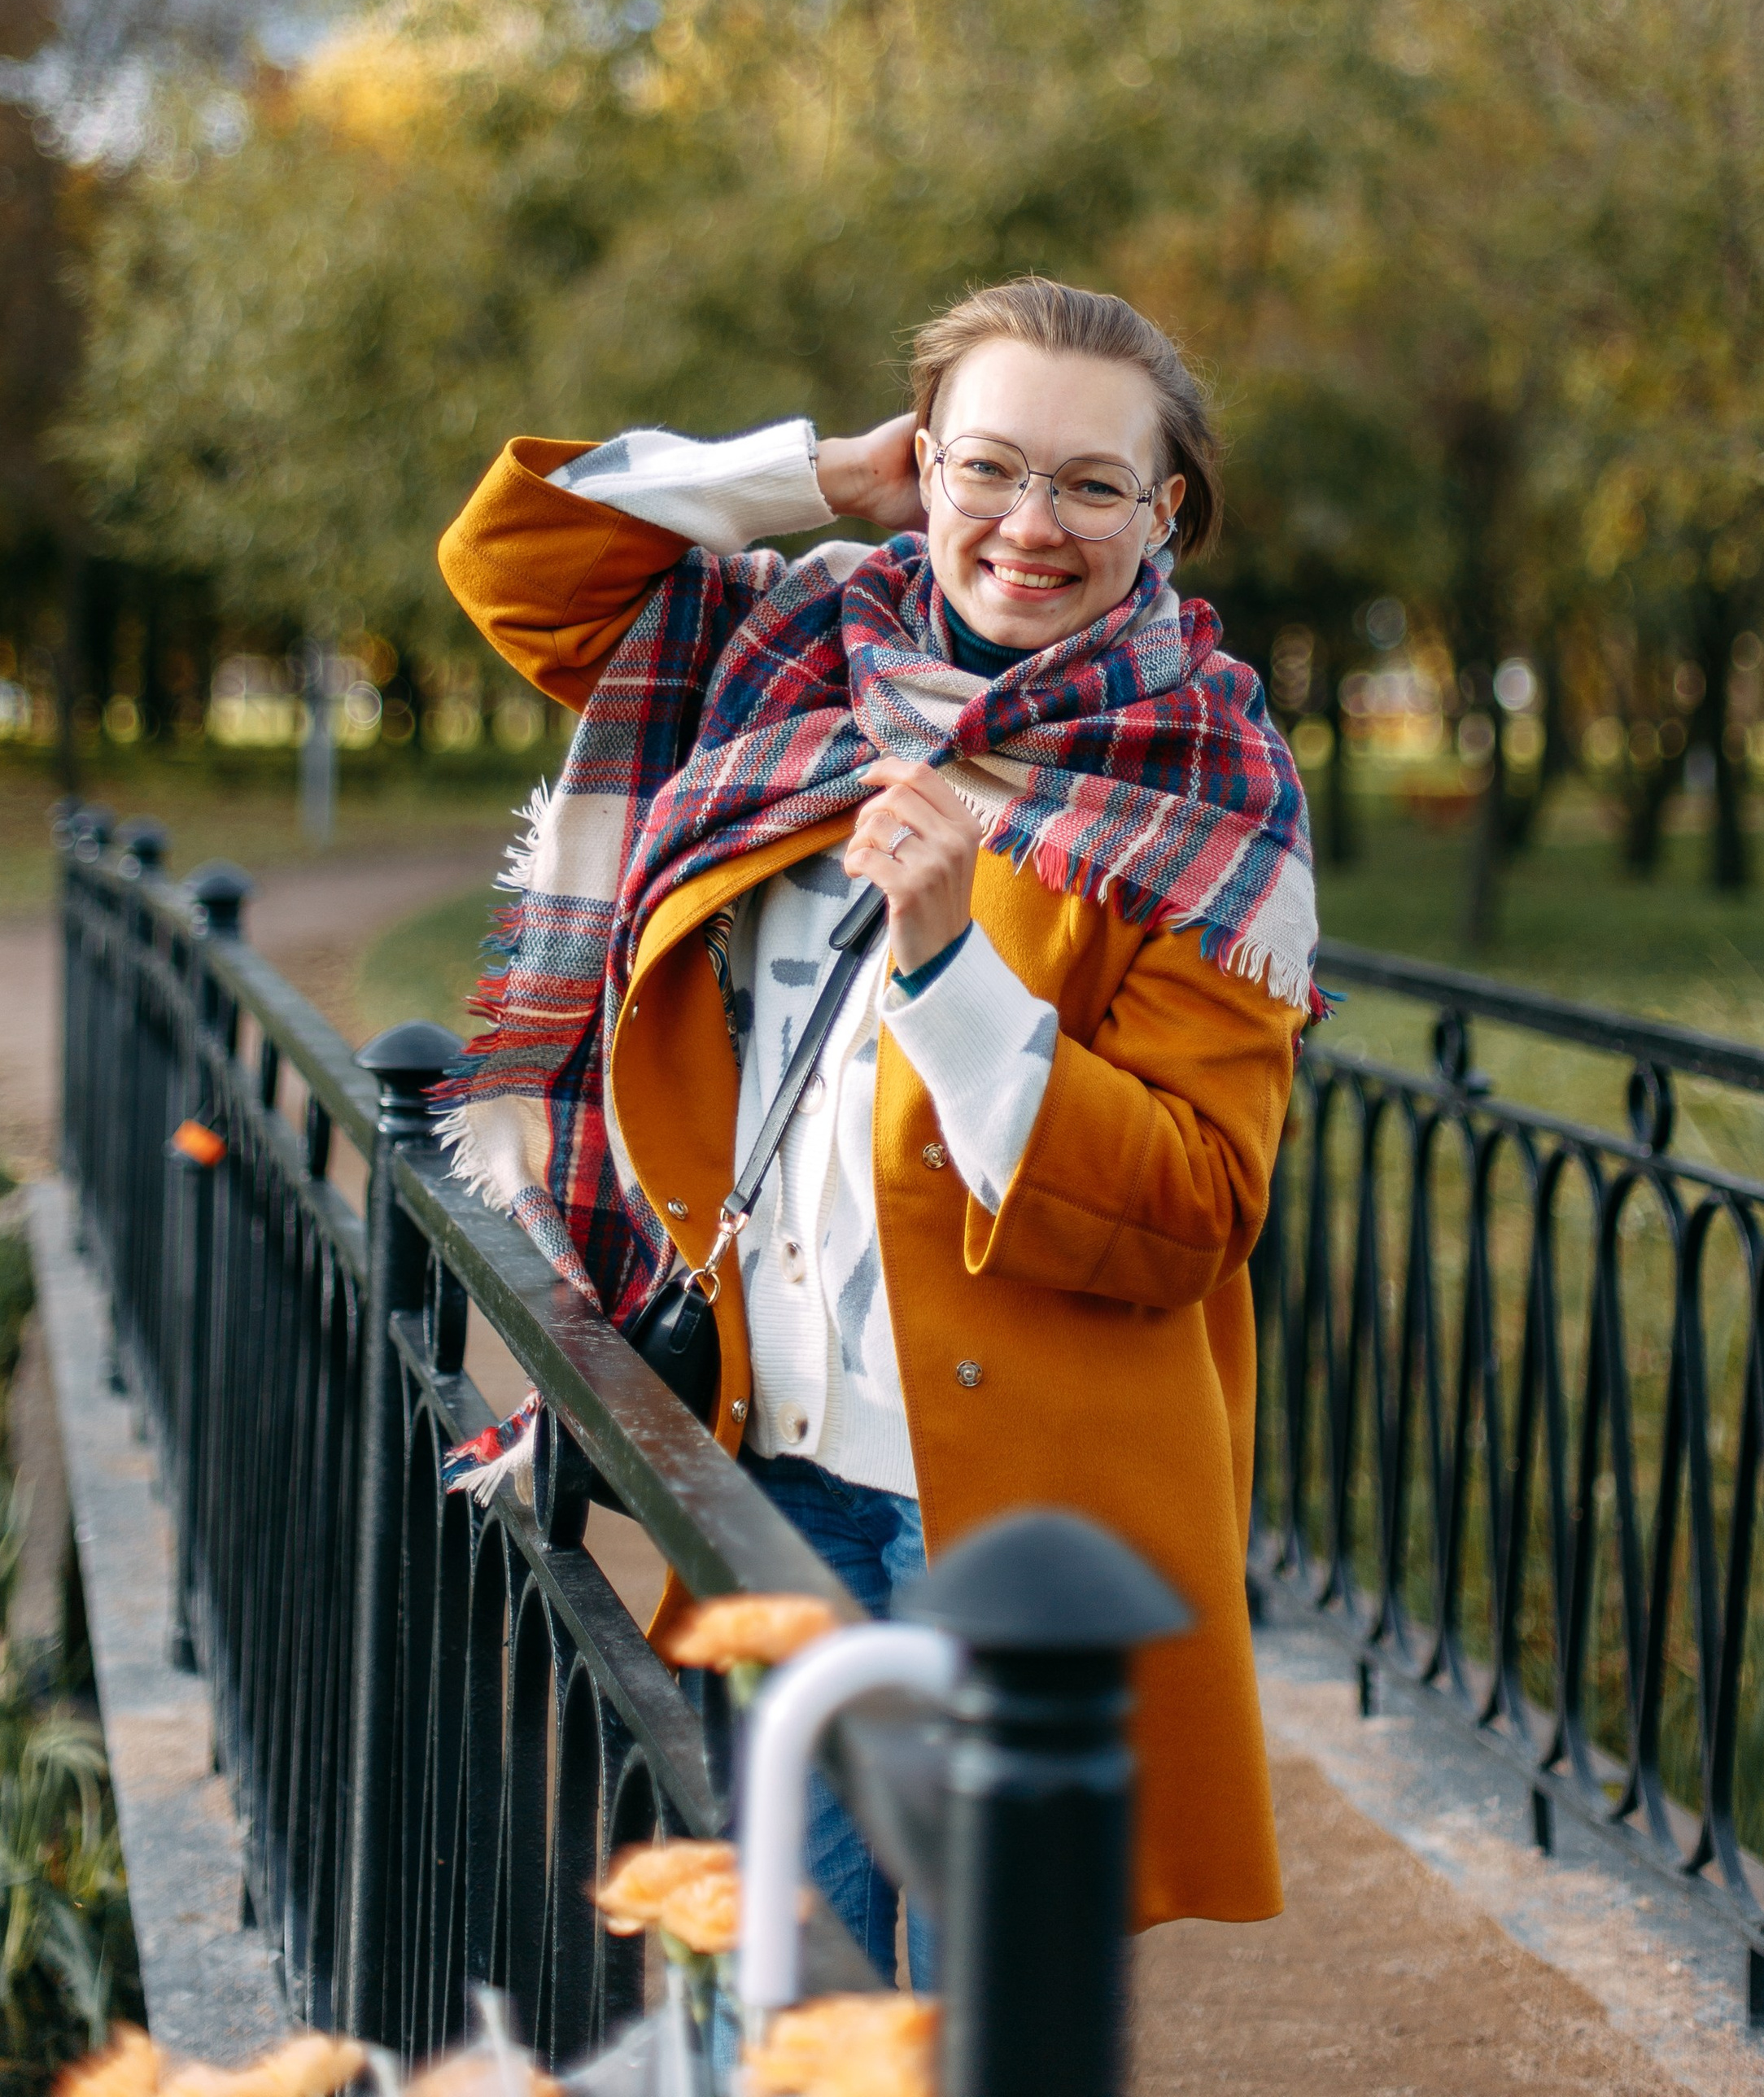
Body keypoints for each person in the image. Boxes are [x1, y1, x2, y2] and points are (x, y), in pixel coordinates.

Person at [434, 277, 1317, 1967]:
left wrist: (950, 968)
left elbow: (1198, 1205)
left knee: (990, 2013)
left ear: (1164, 513)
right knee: (803, 1990)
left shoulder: (1201, 778)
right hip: (774, 1472)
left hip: (1026, 1519)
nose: (1030, 526)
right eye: (985, 466)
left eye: (1090, 484)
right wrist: (816, 479)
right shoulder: (781, 653)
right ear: (921, 462)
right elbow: (515, 559)